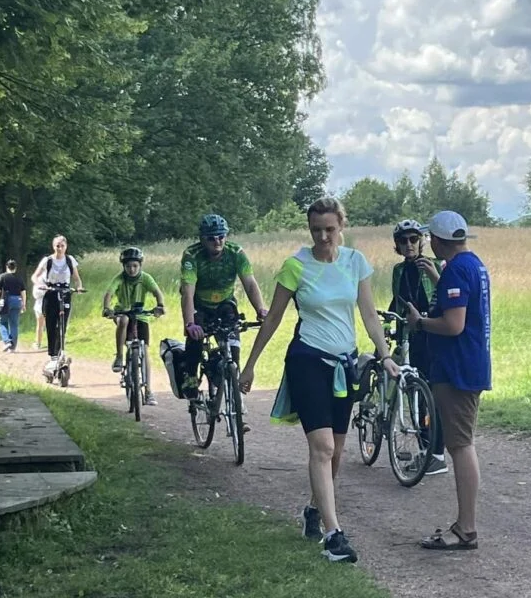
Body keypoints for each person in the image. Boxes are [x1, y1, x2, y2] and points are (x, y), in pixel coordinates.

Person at [240, 197, 398, 565]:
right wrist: (249, 366)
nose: (323, 237)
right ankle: (333, 535)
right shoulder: (296, 266)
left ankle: (314, 508)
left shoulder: (355, 262)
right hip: (307, 361)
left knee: (336, 452)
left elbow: (369, 314)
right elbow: (273, 318)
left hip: (345, 364)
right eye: (316, 230)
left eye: (329, 229)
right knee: (323, 447)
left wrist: (385, 355)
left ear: (342, 226)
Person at [405, 210, 491, 553]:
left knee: (460, 445)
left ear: (439, 241)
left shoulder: (456, 269)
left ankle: (466, 527)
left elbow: (454, 324)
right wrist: (438, 278)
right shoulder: (472, 264)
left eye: (430, 239)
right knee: (461, 443)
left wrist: (420, 322)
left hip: (457, 368)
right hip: (468, 364)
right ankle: (465, 525)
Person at [180, 214, 269, 397]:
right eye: (211, 238)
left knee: (233, 348)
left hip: (225, 304)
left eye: (221, 236)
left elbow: (250, 284)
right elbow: (187, 292)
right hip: (200, 304)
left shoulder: (236, 253)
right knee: (195, 338)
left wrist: (260, 309)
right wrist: (190, 323)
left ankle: (235, 396)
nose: (217, 241)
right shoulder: (192, 255)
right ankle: (191, 376)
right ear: (202, 239)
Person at [388, 218, 447, 475]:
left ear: (421, 241)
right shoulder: (399, 271)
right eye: (403, 241)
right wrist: (390, 328)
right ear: (397, 245)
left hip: (433, 333)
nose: (409, 244)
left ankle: (436, 453)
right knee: (415, 393)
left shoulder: (436, 264)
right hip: (411, 334)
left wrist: (435, 275)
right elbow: (398, 301)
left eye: (414, 239)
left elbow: (447, 296)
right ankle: (426, 451)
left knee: (433, 394)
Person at [102, 247, 166, 404]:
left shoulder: (146, 278)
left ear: (140, 265)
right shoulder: (119, 278)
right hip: (122, 312)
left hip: (140, 315)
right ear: (123, 266)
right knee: (123, 320)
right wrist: (107, 308)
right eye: (128, 266)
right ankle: (119, 356)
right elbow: (109, 293)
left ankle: (149, 391)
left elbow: (157, 292)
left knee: (145, 350)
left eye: (135, 266)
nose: (132, 269)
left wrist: (160, 306)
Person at [31, 235, 84, 360]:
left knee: (62, 324)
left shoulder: (70, 260)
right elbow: (34, 276)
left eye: (62, 246)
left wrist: (79, 287)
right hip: (51, 292)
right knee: (51, 324)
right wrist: (40, 285)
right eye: (57, 246)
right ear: (53, 246)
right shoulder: (47, 260)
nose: (60, 248)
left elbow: (76, 278)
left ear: (66, 246)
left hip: (65, 292)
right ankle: (52, 354)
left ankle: (60, 351)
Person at [0, 260, 27, 353]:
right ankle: (12, 347)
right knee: (14, 324)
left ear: (7, 267)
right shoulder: (19, 278)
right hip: (17, 300)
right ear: (15, 268)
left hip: (6, 300)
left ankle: (7, 341)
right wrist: (24, 303)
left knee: (2, 322)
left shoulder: (2, 276)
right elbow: (23, 292)